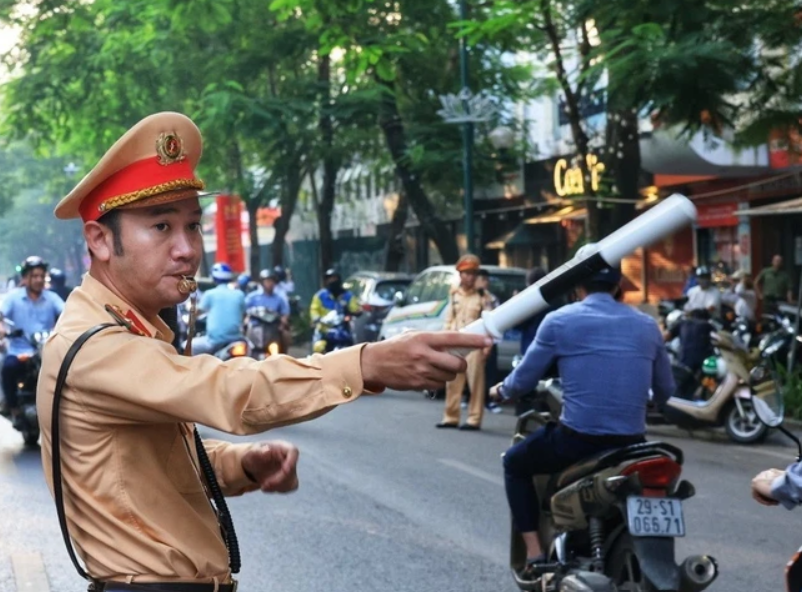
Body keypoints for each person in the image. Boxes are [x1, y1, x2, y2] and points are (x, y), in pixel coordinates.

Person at [38, 112, 490, 592]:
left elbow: (143, 463)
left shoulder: (130, 331)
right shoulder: (93, 345)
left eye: (192, 226)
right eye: (162, 227)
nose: (187, 249)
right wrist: (366, 362)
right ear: (101, 240)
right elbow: (229, 387)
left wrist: (240, 465)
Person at [488, 251, 674, 581]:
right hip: (633, 445)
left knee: (514, 463)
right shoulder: (647, 326)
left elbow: (524, 380)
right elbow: (664, 392)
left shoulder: (560, 321)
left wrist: (500, 391)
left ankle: (534, 554)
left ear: (576, 285)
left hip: (578, 441)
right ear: (619, 285)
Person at [0, 256, 64, 425]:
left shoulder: (52, 298)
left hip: (46, 350)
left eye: (41, 276)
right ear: (26, 278)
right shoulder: (13, 298)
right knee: (8, 367)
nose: (38, 280)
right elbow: (1, 314)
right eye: (34, 276)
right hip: (19, 350)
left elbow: (67, 313)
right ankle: (12, 406)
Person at [437, 254, 494, 431]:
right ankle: (450, 417)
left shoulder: (483, 296)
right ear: (460, 275)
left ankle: (474, 419)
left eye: (473, 273)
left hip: (475, 345)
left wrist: (487, 346)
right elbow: (449, 320)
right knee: (452, 382)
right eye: (466, 273)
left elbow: (490, 322)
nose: (470, 277)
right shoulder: (454, 294)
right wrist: (443, 341)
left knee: (476, 383)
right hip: (455, 343)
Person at [190, 262, 246, 355]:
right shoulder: (239, 294)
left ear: (214, 277)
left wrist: (190, 320)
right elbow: (243, 315)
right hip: (237, 339)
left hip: (214, 341)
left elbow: (196, 312)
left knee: (187, 346)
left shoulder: (209, 294)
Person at [309, 268, 361, 353]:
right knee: (318, 348)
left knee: (352, 351)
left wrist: (356, 311)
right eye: (329, 279)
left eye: (334, 278)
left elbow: (354, 308)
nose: (332, 281)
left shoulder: (348, 295)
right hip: (324, 330)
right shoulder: (320, 296)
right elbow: (314, 310)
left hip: (342, 329)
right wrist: (316, 318)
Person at [246, 268, 291, 353]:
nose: (270, 284)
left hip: (273, 329)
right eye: (267, 281)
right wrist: (246, 319)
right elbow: (244, 311)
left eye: (272, 281)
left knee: (286, 336)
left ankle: (284, 357)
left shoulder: (279, 299)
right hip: (255, 329)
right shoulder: (252, 297)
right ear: (262, 282)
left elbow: (285, 313)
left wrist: (282, 323)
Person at [476, 269, 501, 414]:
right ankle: (468, 397)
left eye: (487, 279)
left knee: (490, 372)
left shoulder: (492, 298)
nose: (485, 282)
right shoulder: (470, 297)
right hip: (475, 339)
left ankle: (489, 400)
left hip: (490, 339)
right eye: (483, 279)